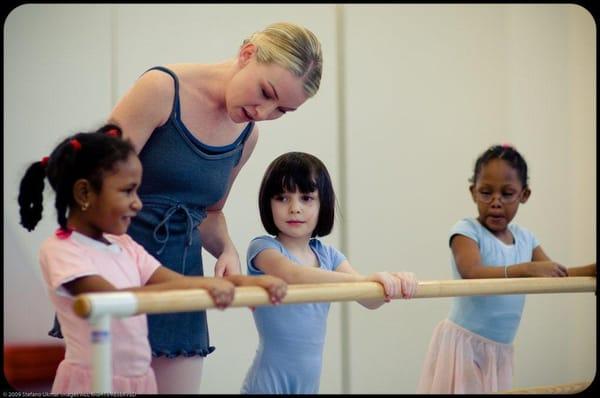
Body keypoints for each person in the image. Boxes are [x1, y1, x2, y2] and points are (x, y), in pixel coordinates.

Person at [48, 22, 322, 393]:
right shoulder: (161, 89)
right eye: (265, 92)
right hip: (118, 267)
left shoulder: (247, 136)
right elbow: (95, 178)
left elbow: (210, 211)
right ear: (247, 55)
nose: (263, 112)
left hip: (181, 276)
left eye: (281, 110)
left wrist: (226, 250)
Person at [17, 125, 287, 394]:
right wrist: (208, 288)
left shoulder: (124, 245)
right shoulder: (61, 250)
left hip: (138, 379)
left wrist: (250, 283)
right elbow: (114, 300)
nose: (137, 203)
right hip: (93, 381)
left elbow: (176, 282)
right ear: (84, 193)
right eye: (127, 191)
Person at [416, 144, 595, 394]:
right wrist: (526, 269)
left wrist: (591, 270)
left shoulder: (526, 238)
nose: (496, 203)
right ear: (473, 192)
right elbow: (472, 273)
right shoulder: (466, 231)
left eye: (507, 193)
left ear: (524, 194)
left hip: (500, 349)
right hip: (465, 346)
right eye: (486, 192)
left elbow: (556, 274)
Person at [240, 152, 418, 394]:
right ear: (267, 203)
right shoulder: (263, 248)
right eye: (282, 198)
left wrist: (394, 282)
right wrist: (366, 280)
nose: (295, 209)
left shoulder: (329, 256)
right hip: (268, 383)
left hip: (309, 384)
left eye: (306, 198)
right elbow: (294, 276)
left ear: (323, 203)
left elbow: (369, 299)